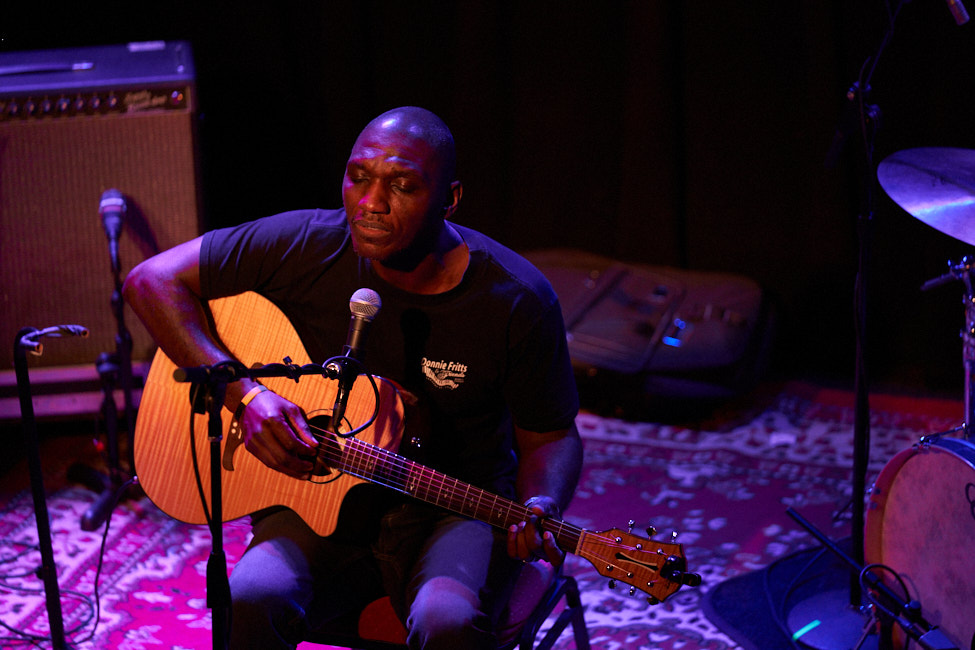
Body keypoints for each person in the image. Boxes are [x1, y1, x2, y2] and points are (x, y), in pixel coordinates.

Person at [122, 106, 583, 650]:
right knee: (250, 596)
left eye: (403, 185)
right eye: (358, 177)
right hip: (318, 494)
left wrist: (541, 504)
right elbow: (151, 281)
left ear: (449, 198)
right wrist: (242, 395)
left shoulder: (516, 299)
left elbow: (551, 436)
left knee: (447, 622)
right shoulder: (305, 244)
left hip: (449, 507)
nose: (370, 204)